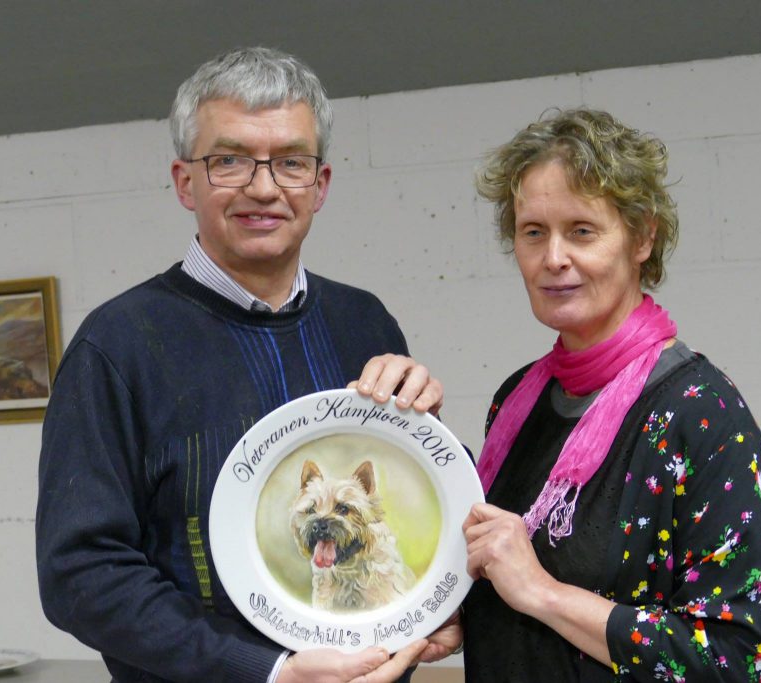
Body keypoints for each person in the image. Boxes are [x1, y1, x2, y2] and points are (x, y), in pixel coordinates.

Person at [36, 47, 459, 683]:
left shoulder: (365, 321)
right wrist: (268, 671)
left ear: (320, 184)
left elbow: (436, 499)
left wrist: (442, 598)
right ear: (185, 182)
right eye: (229, 160)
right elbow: (79, 574)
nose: (264, 188)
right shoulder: (116, 346)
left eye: (291, 162)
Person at [461, 109, 761, 682]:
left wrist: (543, 593)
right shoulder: (516, 402)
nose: (553, 258)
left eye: (582, 230)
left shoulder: (703, 413)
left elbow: (736, 663)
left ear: (642, 237)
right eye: (533, 232)